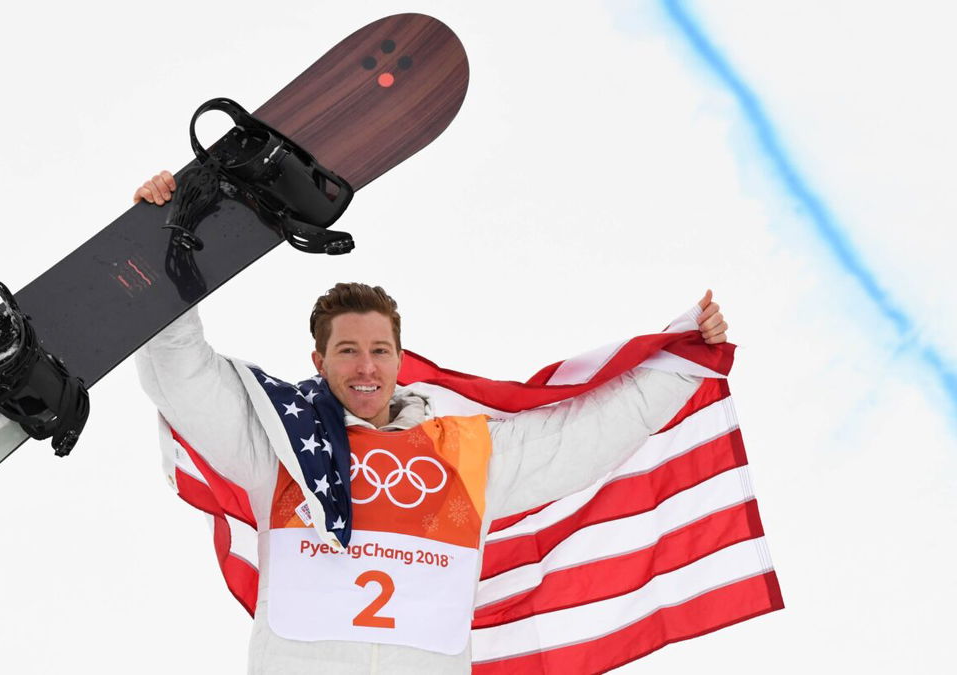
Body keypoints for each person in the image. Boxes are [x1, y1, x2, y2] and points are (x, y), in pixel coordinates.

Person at [133, 172, 729, 674]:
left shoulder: (468, 453)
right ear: (318, 361)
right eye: (346, 351)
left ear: (398, 358)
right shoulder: (280, 444)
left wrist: (680, 365)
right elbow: (185, 379)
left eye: (380, 351)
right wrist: (159, 252)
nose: (365, 367)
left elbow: (589, 433)